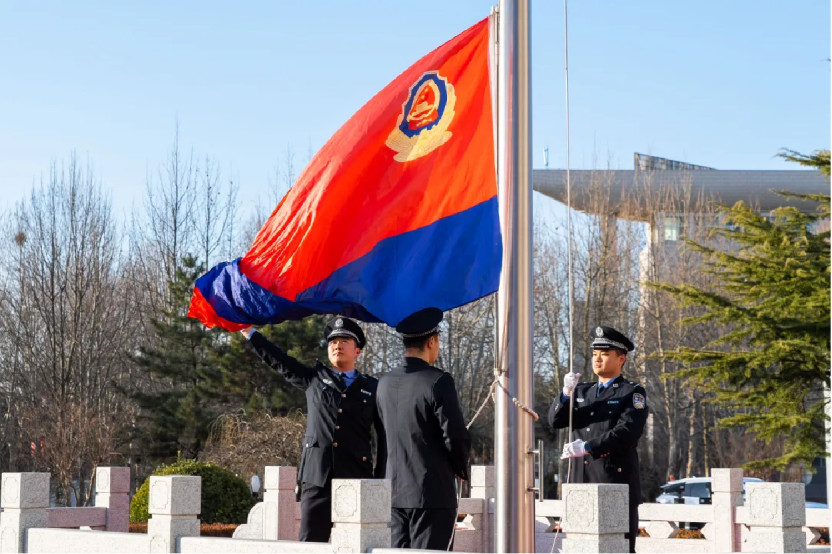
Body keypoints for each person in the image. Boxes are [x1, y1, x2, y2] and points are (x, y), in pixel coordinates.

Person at [240, 316, 386, 542]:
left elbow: (384, 438)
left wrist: (380, 481)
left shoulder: (373, 387)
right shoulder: (314, 378)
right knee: (310, 542)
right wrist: (249, 332)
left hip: (356, 476)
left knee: (357, 543)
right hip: (317, 476)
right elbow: (280, 360)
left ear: (357, 351)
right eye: (333, 342)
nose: (337, 345)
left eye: (345, 341)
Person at [376, 307, 471, 550]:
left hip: (394, 493)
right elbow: (455, 435)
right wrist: (461, 467)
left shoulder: (383, 383)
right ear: (431, 341)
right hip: (432, 493)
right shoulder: (438, 381)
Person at [548, 326, 648, 554]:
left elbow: (628, 431)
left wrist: (587, 446)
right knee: (580, 547)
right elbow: (555, 421)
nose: (597, 359)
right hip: (580, 482)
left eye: (604, 353)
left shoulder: (631, 392)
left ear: (621, 358)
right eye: (594, 354)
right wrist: (565, 394)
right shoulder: (582, 391)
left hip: (613, 481)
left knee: (617, 548)